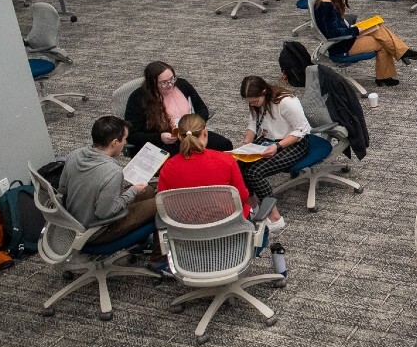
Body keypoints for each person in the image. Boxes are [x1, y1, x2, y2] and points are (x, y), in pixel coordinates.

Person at [59, 116, 156, 244]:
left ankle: (139, 240)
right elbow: (104, 213)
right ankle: (157, 258)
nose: (125, 143)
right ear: (115, 142)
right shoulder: (112, 172)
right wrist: (132, 191)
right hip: (96, 231)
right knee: (162, 204)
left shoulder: (75, 154)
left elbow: (62, 188)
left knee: (148, 190)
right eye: (125, 139)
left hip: (76, 219)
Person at [314, 0, 417, 86]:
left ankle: (403, 53)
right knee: (383, 42)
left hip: (346, 38)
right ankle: (393, 65)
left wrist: (356, 29)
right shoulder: (327, 8)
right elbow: (334, 33)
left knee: (379, 28)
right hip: (341, 45)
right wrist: (356, 30)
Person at [237, 76, 308, 232]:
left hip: (292, 142)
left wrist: (278, 146)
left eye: (255, 101)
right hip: (268, 141)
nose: (252, 104)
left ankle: (275, 216)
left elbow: (303, 130)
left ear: (264, 91)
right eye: (249, 102)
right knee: (238, 164)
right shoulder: (257, 103)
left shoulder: (286, 102)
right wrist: (245, 144)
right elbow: (253, 125)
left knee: (255, 172)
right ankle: (253, 206)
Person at [124, 61, 234, 156]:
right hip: (164, 142)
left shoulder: (182, 85)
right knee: (179, 160)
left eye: (172, 79)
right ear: (152, 83)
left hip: (192, 134)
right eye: (164, 83)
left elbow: (202, 109)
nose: (170, 84)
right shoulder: (138, 98)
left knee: (224, 145)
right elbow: (132, 134)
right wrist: (159, 137)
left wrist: (193, 124)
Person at [157, 114, 253, 218]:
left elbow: (164, 203)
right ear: (205, 132)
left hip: (186, 227)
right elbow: (242, 196)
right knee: (263, 229)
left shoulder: (169, 166)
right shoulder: (226, 160)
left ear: (180, 137)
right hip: (226, 225)